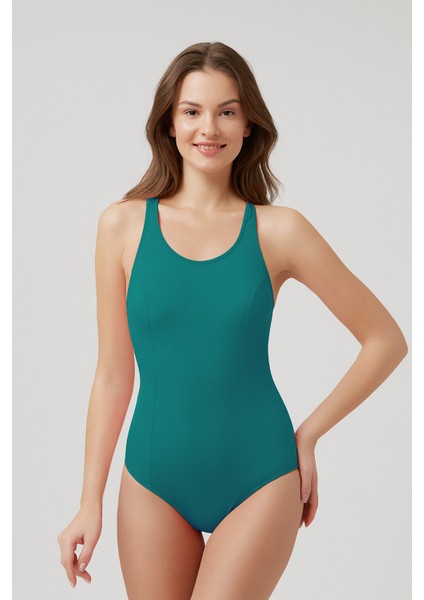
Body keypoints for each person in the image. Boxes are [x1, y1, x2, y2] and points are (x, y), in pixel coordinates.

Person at [56, 41, 408, 599]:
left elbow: (385, 340)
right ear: (169, 123)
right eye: (192, 111)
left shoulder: (280, 230)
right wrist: (88, 502)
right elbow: (112, 375)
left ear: (248, 125)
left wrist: (309, 434)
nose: (208, 128)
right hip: (152, 479)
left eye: (226, 111)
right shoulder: (121, 226)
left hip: (260, 475)